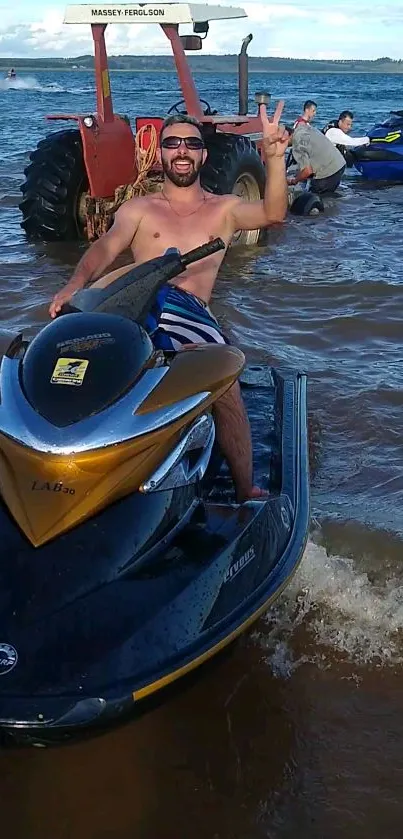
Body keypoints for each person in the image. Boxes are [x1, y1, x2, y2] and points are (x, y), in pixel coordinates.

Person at [49, 103, 289, 503]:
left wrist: (276, 159)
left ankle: (245, 490)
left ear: (203, 155)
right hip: (134, 306)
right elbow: (106, 247)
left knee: (222, 378)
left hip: (190, 311)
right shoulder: (139, 209)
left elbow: (273, 213)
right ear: (159, 153)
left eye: (191, 143)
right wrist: (72, 286)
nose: (182, 150)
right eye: (172, 142)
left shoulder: (224, 209)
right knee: (69, 359)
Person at [287, 121, 346, 194]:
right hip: (340, 163)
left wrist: (294, 181)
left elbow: (307, 171)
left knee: (313, 198)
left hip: (329, 172)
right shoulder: (303, 128)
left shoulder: (297, 145)